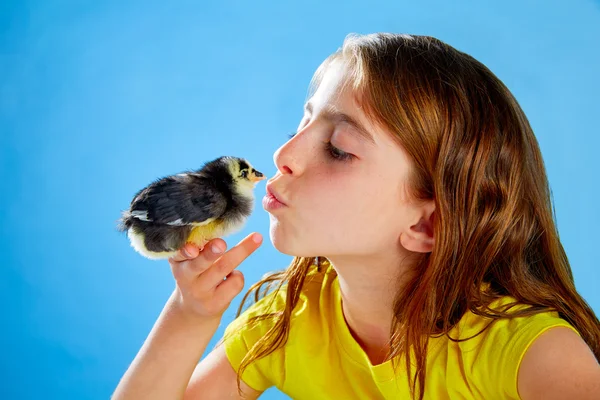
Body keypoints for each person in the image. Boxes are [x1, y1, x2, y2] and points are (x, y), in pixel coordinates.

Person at [112, 33, 600, 400]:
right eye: (300, 124)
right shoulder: (291, 319)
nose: (284, 153)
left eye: (339, 149)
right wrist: (188, 315)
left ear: (426, 225)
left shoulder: (531, 353)